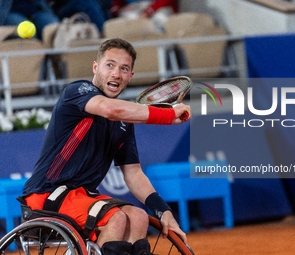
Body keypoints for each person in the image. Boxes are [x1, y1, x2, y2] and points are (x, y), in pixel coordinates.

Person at [21, 38, 191, 255]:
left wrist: (164, 213)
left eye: (124, 69)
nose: (116, 74)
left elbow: (134, 174)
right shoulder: (77, 91)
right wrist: (167, 115)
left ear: (130, 76)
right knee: (116, 218)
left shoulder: (124, 122)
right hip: (46, 196)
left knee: (138, 217)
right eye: (109, 65)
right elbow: (110, 109)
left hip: (84, 198)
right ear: (96, 67)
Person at [109, 0, 178, 29]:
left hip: (158, 6)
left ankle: (165, 54)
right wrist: (119, 10)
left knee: (160, 18)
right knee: (130, 19)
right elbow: (116, 6)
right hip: (133, 7)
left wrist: (148, 11)